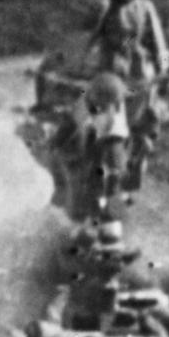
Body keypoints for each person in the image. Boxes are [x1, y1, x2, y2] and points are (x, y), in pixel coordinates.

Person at [46, 72, 135, 224]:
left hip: (110, 139)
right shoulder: (87, 100)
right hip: (94, 137)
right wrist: (56, 142)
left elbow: (116, 144)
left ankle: (108, 216)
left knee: (111, 176)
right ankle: (82, 212)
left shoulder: (115, 122)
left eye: (106, 106)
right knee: (86, 175)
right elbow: (72, 122)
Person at [89, 0, 169, 82]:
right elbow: (95, 34)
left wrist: (164, 66)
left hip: (135, 56)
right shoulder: (106, 5)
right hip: (110, 57)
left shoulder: (145, 5)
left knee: (142, 79)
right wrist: (89, 54)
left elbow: (159, 38)